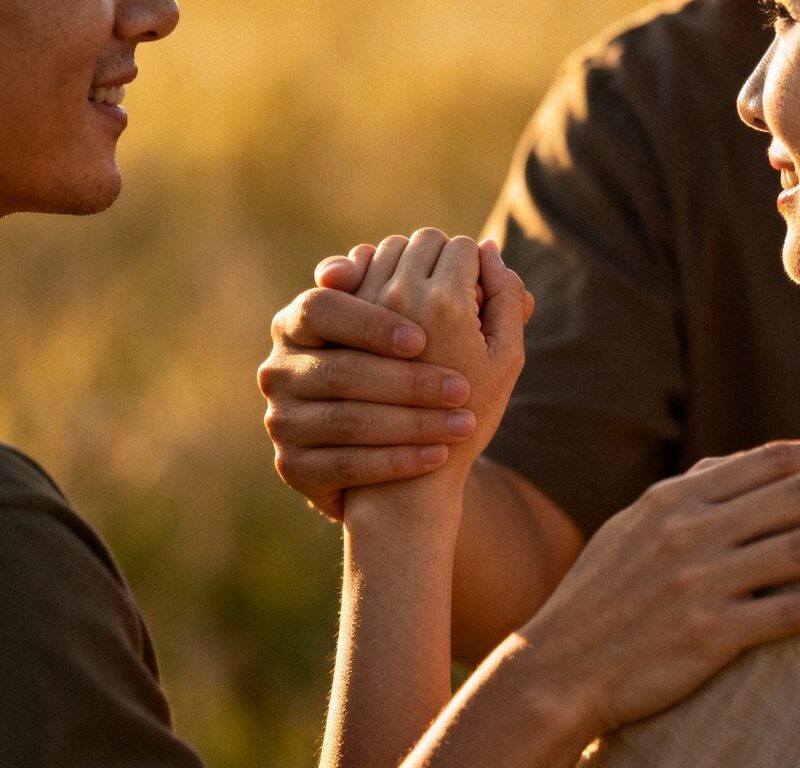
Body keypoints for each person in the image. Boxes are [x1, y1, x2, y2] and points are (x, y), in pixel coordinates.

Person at [287, 1, 800, 764]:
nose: (749, 98)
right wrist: (408, 483)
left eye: (790, 18)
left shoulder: (762, 676)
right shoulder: (641, 103)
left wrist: (556, 675)